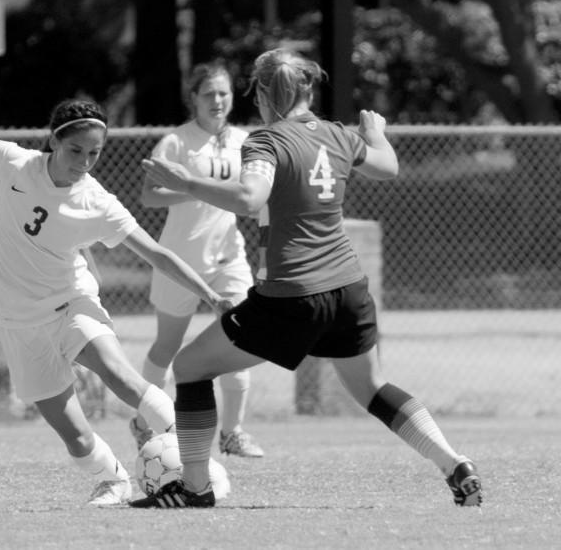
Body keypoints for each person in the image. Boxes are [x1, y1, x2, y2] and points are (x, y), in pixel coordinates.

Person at [131, 49, 482, 508]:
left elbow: (247, 196)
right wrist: (374, 133)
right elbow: (387, 166)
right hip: (348, 290)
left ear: (260, 94)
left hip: (293, 294)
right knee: (371, 388)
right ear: (309, 91)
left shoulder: (266, 141)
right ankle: (453, 463)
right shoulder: (337, 135)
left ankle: (195, 488)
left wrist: (187, 182)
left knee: (191, 368)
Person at [0, 91, 229, 506]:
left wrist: (213, 297)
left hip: (71, 304)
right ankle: (113, 480)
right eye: (76, 150)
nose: (85, 161)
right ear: (54, 141)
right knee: (73, 434)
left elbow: (157, 255)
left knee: (120, 375)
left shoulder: (97, 201)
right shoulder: (14, 162)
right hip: (20, 322)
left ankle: (201, 471)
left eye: (95, 153)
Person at [131, 62, 264, 458]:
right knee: (166, 347)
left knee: (243, 334)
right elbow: (149, 196)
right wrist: (195, 189)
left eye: (223, 93)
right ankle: (143, 421)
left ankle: (234, 431)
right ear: (193, 99)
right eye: (209, 94)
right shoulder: (176, 142)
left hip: (228, 257)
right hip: (180, 259)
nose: (218, 101)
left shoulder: (246, 140)